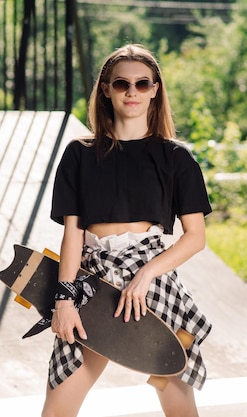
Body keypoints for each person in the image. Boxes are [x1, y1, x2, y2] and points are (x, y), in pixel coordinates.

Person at [42, 44, 213, 417]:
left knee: (177, 399)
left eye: (141, 83)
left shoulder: (177, 158)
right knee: (58, 404)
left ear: (155, 89)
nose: (131, 92)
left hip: (154, 284)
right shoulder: (79, 154)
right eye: (121, 84)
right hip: (92, 283)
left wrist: (146, 275)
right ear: (105, 88)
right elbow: (73, 232)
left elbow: (195, 237)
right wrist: (64, 299)